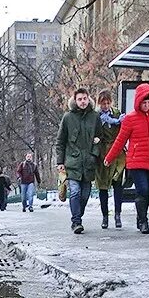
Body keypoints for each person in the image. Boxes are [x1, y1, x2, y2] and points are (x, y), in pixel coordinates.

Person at [104, 82, 149, 235]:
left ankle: (141, 217)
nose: (147, 105)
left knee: (147, 193)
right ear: (138, 102)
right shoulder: (130, 119)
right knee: (142, 189)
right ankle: (143, 221)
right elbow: (120, 140)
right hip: (136, 162)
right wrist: (109, 158)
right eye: (144, 102)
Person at [56, 87, 101, 234]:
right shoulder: (68, 117)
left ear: (89, 99)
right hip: (72, 162)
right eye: (79, 99)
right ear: (75, 101)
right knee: (75, 192)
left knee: (85, 194)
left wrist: (94, 154)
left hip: (88, 163)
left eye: (85, 98)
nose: (82, 101)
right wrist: (60, 162)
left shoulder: (95, 117)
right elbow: (60, 141)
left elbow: (100, 138)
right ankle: (76, 222)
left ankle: (77, 215)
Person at [95, 90, 126, 230]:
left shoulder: (118, 115)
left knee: (117, 183)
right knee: (103, 186)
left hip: (117, 152)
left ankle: (118, 215)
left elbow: (124, 130)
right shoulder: (95, 116)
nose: (106, 106)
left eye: (108, 103)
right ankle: (105, 216)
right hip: (102, 153)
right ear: (99, 103)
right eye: (103, 103)